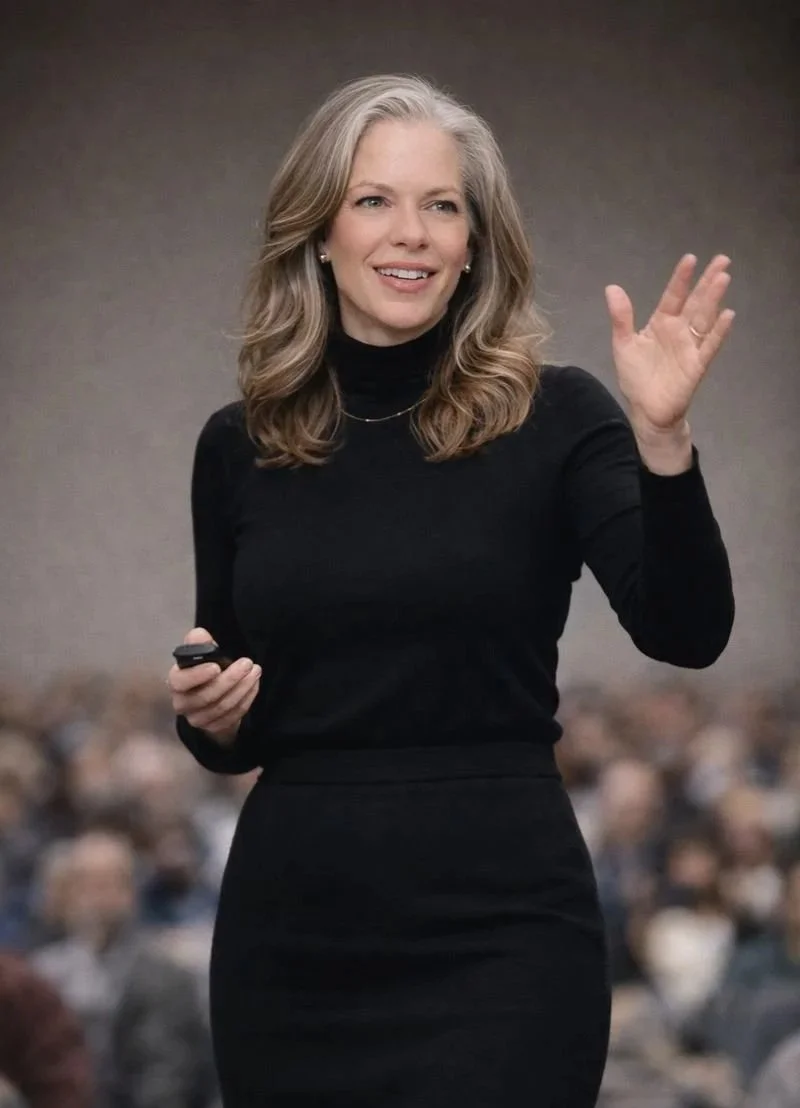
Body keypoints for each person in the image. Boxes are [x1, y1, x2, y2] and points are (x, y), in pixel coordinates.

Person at [167, 73, 735, 1107]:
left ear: (475, 241)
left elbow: (686, 629)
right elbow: (234, 728)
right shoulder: (239, 442)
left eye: (442, 206)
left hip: (502, 930)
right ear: (319, 231)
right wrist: (206, 717)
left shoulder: (556, 416)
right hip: (296, 934)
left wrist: (662, 444)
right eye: (374, 199)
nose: (412, 232)